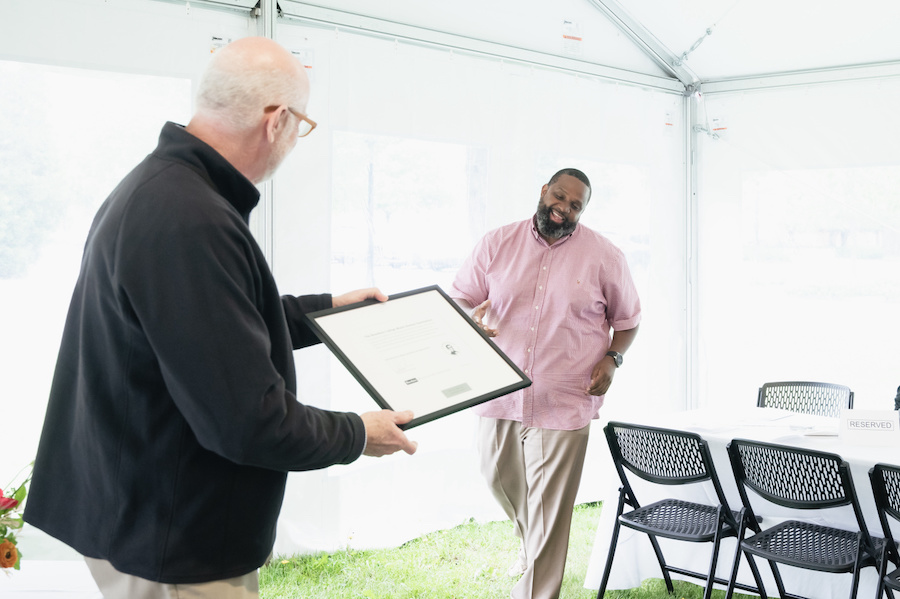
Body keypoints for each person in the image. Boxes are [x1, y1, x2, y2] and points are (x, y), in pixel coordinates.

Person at [24, 37, 417, 599]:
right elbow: (248, 421)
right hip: (174, 541)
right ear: (277, 121)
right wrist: (358, 433)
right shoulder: (192, 219)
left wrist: (326, 314)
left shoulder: (163, 188)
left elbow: (207, 330)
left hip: (143, 508)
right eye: (301, 125)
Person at [450, 168, 641, 599]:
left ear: (583, 211)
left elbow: (628, 320)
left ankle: (538, 588)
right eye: (559, 197)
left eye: (575, 205)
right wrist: (468, 321)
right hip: (498, 388)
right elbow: (461, 295)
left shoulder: (605, 256)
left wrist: (613, 359)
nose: (564, 209)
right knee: (496, 477)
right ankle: (530, 543)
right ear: (543, 192)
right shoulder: (497, 243)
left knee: (551, 510)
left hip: (566, 395)